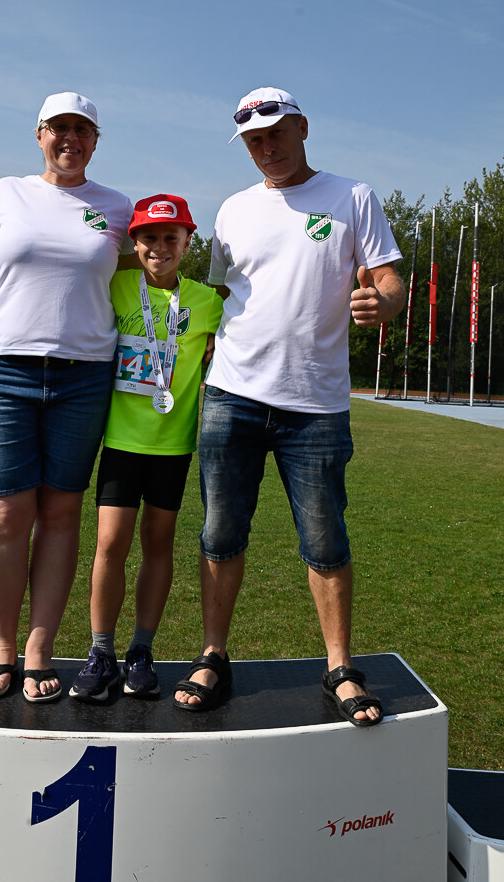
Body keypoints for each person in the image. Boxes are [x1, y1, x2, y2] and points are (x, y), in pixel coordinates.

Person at [173, 87, 405, 725]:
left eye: (275, 133)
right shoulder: (233, 210)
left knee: (326, 540)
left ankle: (339, 667)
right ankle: (213, 656)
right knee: (220, 533)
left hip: (316, 406)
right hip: (232, 396)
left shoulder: (352, 196)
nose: (266, 148)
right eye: (253, 141)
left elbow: (389, 278)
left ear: (302, 127)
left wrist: (383, 304)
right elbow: (218, 297)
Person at [0, 92, 133, 703]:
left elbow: (137, 282)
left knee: (61, 515)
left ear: (96, 141)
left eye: (82, 130)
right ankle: (2, 646)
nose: (70, 139)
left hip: (84, 377)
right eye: (58, 128)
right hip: (2, 371)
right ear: (39, 135)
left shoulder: (118, 207)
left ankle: (39, 649)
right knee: (7, 516)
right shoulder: (2, 193)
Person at [70, 195, 223, 703]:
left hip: (173, 447)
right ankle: (100, 652)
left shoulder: (207, 301)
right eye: (149, 238)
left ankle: (141, 651)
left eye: (171, 237)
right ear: (133, 243)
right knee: (110, 544)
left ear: (187, 242)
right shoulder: (115, 285)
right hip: (121, 442)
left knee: (158, 544)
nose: (160, 247)